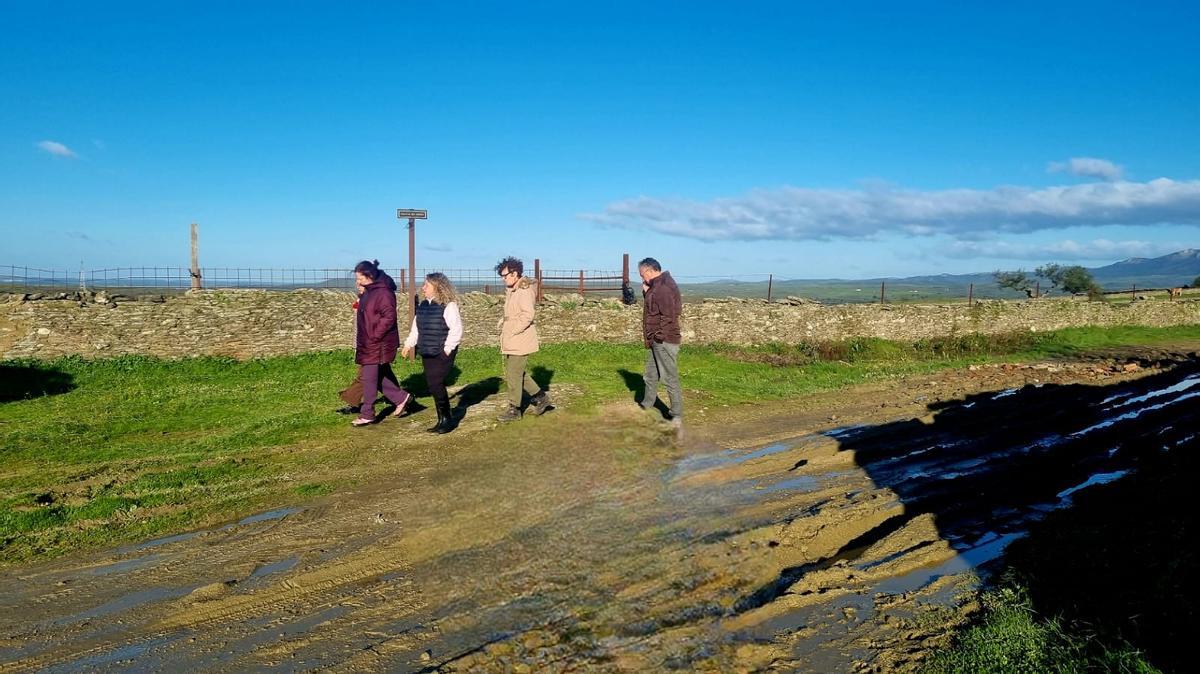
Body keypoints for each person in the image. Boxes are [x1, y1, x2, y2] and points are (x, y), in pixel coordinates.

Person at [351, 260, 412, 427]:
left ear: (370, 276)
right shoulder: (369, 292)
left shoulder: (383, 293)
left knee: (369, 378)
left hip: (378, 342)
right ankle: (401, 397)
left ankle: (368, 414)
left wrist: (375, 335)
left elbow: (389, 317)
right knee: (377, 377)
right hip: (369, 342)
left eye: (360, 278)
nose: (358, 282)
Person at [401, 272, 463, 434]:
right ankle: (443, 418)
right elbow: (416, 329)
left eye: (426, 285)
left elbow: (456, 330)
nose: (423, 288)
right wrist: (408, 345)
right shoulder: (422, 307)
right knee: (433, 385)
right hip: (427, 351)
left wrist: (447, 350)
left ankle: (447, 420)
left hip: (442, 351)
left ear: (437, 287)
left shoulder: (449, 306)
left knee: (436, 383)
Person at [494, 256, 551, 421]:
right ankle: (541, 398)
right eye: (502, 276)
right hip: (513, 338)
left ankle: (514, 410)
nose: (503, 279)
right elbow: (514, 313)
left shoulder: (523, 290)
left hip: (520, 339)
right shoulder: (513, 290)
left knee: (513, 374)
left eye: (505, 275)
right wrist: (504, 321)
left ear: (515, 273)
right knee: (518, 373)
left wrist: (513, 330)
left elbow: (528, 315)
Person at [638, 257, 683, 428]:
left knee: (669, 378)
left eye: (643, 275)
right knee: (650, 375)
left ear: (649, 270)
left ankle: (676, 416)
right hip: (656, 340)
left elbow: (669, 315)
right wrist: (646, 292)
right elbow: (654, 309)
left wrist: (659, 336)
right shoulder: (657, 286)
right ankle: (647, 404)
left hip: (664, 341)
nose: (643, 278)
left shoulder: (662, 288)